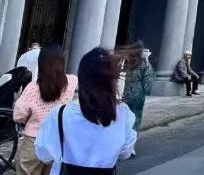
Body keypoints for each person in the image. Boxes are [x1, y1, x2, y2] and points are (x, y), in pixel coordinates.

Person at [35, 47, 137, 172]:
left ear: (81, 78)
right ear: (111, 80)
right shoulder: (123, 113)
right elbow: (126, 152)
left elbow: (44, 154)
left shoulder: (61, 113)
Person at [12, 44, 78, 175]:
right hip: (57, 139)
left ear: (41, 62)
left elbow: (18, 115)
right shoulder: (72, 81)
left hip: (33, 141)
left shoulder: (33, 88)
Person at [119, 43, 154, 134]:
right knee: (134, 117)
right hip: (135, 94)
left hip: (126, 94)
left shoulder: (127, 61)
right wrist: (146, 91)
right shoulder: (144, 63)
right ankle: (131, 136)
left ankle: (124, 135)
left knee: (124, 116)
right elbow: (148, 81)